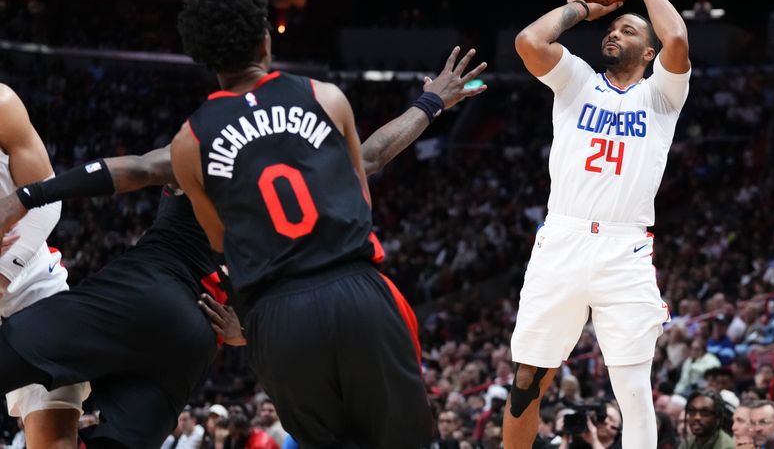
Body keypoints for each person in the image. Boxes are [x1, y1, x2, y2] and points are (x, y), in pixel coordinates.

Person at [0, 43, 485, 447]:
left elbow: (132, 169)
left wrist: (31, 194)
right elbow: (376, 154)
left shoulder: (205, 141)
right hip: (200, 338)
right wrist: (430, 104)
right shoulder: (315, 161)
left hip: (151, 288)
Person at [169, 0, 487, 448]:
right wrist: (431, 101)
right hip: (354, 292)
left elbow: (223, 249)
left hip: (276, 317)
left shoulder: (187, 143)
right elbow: (370, 169)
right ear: (264, 40)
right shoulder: (323, 96)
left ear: (202, 56)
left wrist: (247, 322)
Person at [505, 0, 691, 449]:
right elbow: (529, 41)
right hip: (562, 236)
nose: (615, 32)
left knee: (632, 389)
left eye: (628, 30)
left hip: (624, 247)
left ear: (649, 54)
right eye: (612, 29)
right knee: (527, 380)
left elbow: (675, 34)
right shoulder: (578, 81)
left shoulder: (662, 96)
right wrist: (584, 7)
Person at [0, 83, 90, 449]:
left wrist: (3, 272)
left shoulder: (2, 103)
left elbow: (47, 199)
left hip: (29, 285)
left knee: (53, 435)